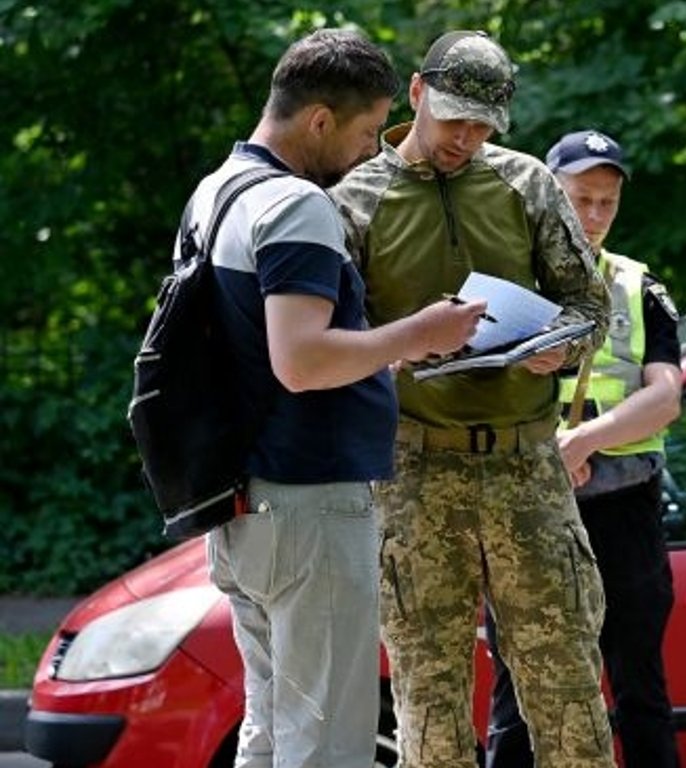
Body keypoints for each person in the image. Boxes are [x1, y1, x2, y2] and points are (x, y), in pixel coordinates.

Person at [196, 29, 487, 768]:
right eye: (364, 133)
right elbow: (302, 361)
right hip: (309, 504)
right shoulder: (297, 206)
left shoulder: (217, 194)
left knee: (269, 727)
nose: (369, 151)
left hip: (242, 502)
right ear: (320, 120)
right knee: (326, 743)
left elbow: (259, 355)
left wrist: (379, 363)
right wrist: (417, 333)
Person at [328, 31, 616, 768]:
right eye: (455, 118)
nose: (467, 138)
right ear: (417, 94)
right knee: (429, 694)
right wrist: (406, 342)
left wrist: (563, 346)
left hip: (526, 466)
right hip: (415, 473)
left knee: (570, 692)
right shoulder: (354, 200)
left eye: (484, 125)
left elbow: (588, 301)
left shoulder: (526, 184)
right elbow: (328, 339)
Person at [483, 130, 684, 768]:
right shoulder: (505, 284)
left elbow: (667, 397)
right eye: (580, 200)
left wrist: (585, 440)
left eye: (607, 202)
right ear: (551, 198)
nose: (594, 216)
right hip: (528, 510)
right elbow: (470, 395)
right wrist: (551, 455)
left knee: (640, 693)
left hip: (624, 508)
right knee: (518, 696)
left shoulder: (638, 287)